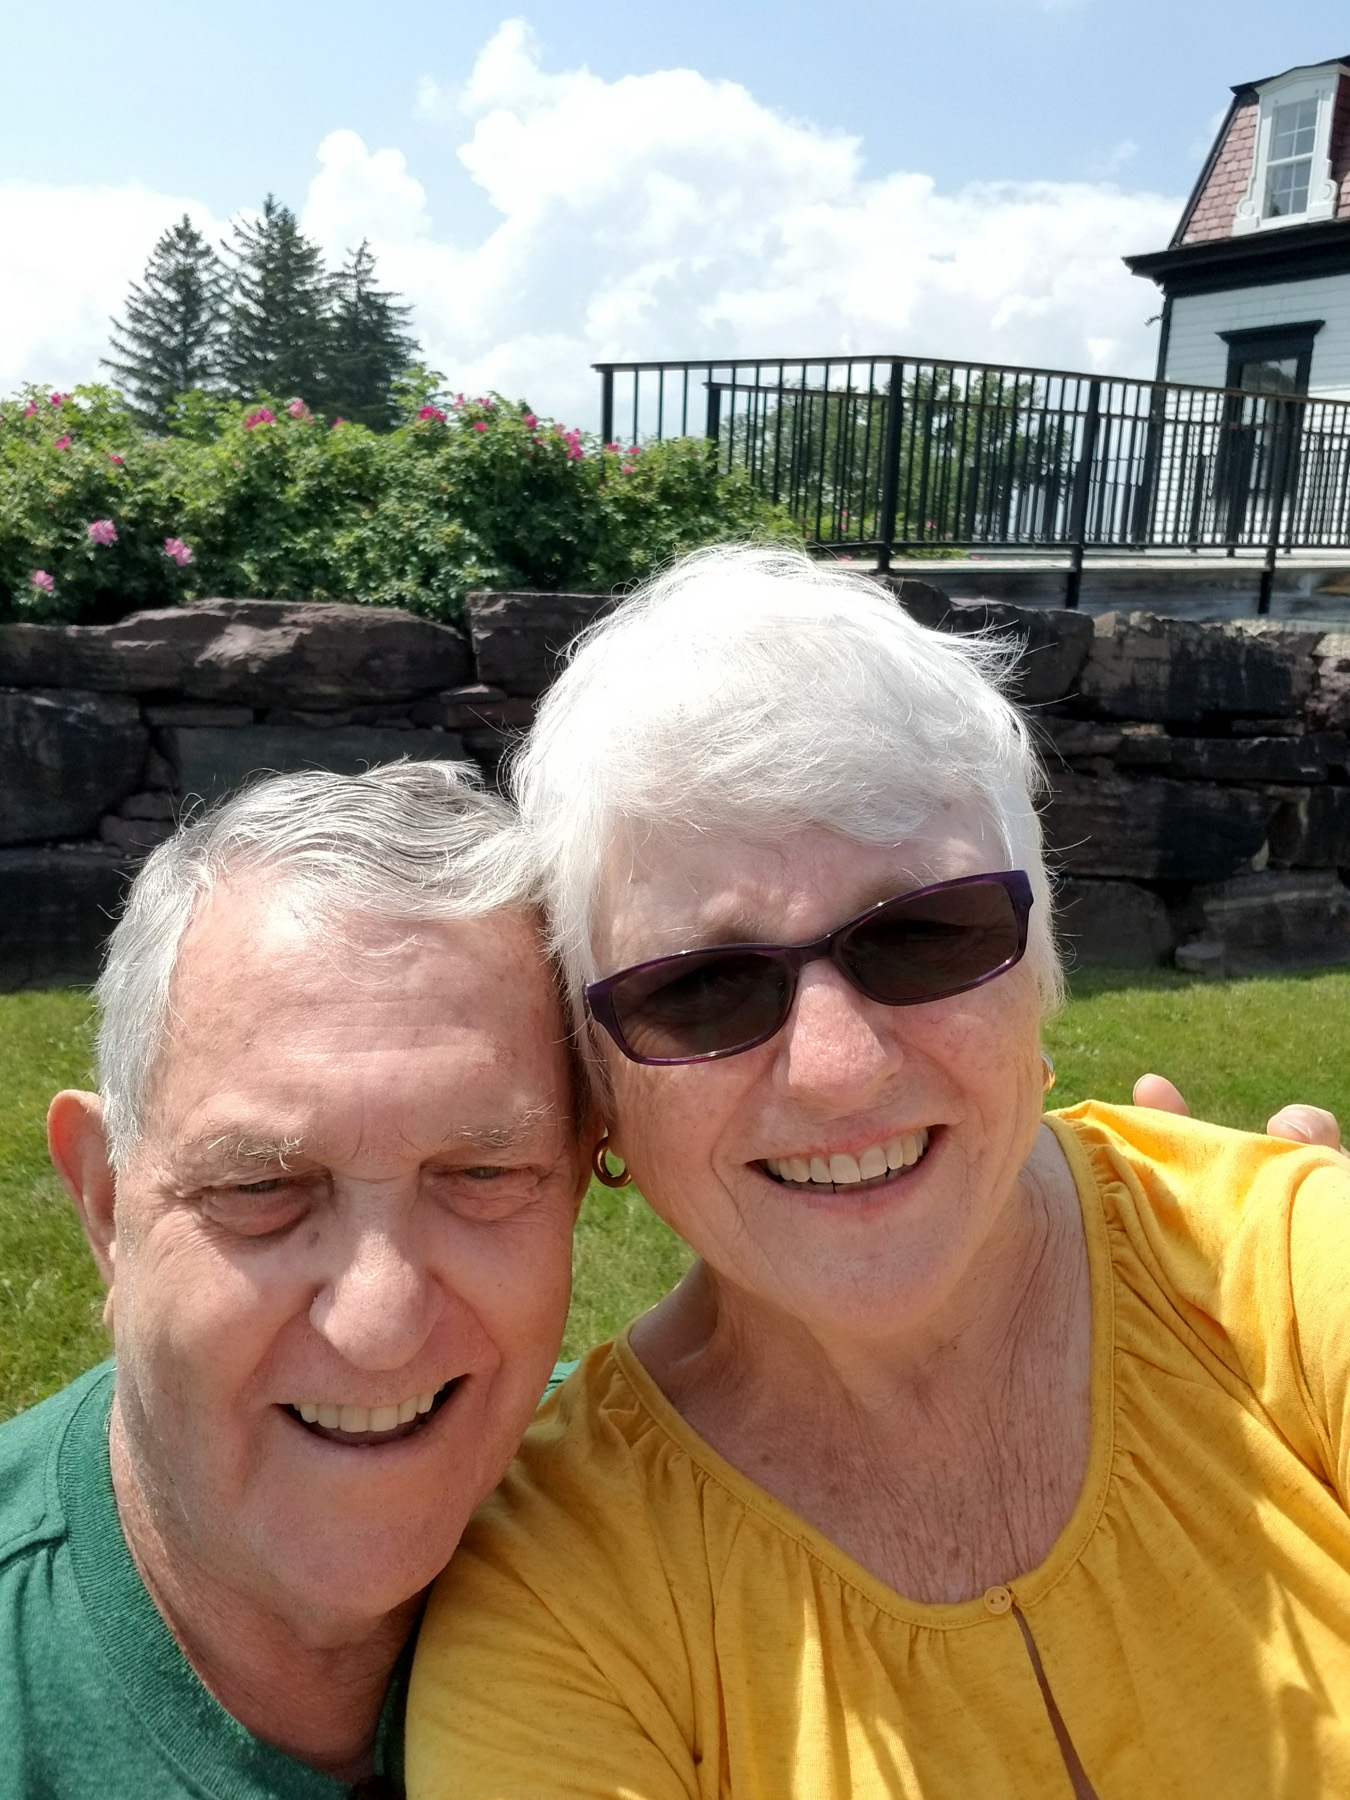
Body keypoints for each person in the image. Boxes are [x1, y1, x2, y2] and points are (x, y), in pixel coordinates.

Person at [408, 546, 1350, 1798]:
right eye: (703, 987)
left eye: (926, 934)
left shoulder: (1291, 1273)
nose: (840, 1071)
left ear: (1039, 969)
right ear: (603, 1096)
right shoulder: (559, 1591)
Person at [0, 761, 590, 1798]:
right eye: (261, 1186)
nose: (379, 1325)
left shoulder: (707, 1548)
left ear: (576, 1183)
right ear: (104, 1202)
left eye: (482, 1174)